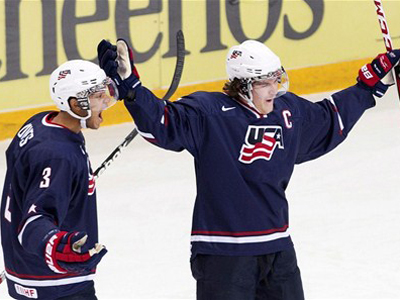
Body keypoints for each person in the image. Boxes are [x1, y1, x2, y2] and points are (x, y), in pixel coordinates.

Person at [97, 39, 400, 299]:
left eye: (276, 79)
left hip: (277, 249)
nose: (274, 89)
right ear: (242, 86)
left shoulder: (287, 112)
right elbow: (163, 123)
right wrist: (132, 88)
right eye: (264, 83)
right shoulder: (209, 113)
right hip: (224, 256)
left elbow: (329, 120)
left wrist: (371, 85)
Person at [0, 59, 115, 299]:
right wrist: (56, 246)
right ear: (75, 104)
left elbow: (21, 178)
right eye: (97, 96)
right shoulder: (59, 156)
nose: (106, 101)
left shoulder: (40, 123)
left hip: (26, 269)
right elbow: (34, 221)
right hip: (55, 284)